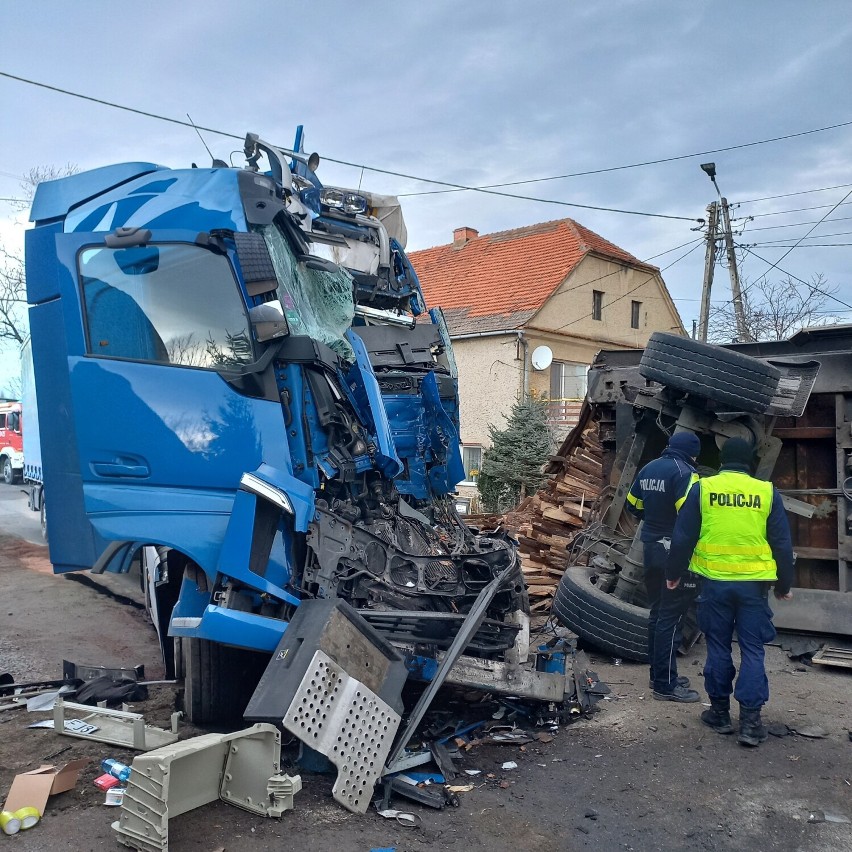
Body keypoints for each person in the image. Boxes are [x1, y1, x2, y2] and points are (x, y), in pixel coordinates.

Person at [666, 437, 794, 747]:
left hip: (715, 585)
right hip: (754, 588)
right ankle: (750, 723)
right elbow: (782, 542)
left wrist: (673, 573)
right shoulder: (766, 491)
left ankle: (720, 715)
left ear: (723, 461)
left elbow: (683, 536)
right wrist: (784, 585)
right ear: (750, 463)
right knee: (752, 650)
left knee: (719, 647)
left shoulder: (704, 489)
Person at [626, 432, 701, 703]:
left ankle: (658, 674)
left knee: (658, 614)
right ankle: (666, 685)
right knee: (672, 618)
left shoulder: (649, 468)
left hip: (651, 549)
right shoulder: (686, 473)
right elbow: (690, 516)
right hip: (673, 552)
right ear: (692, 453)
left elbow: (633, 505)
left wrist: (654, 519)